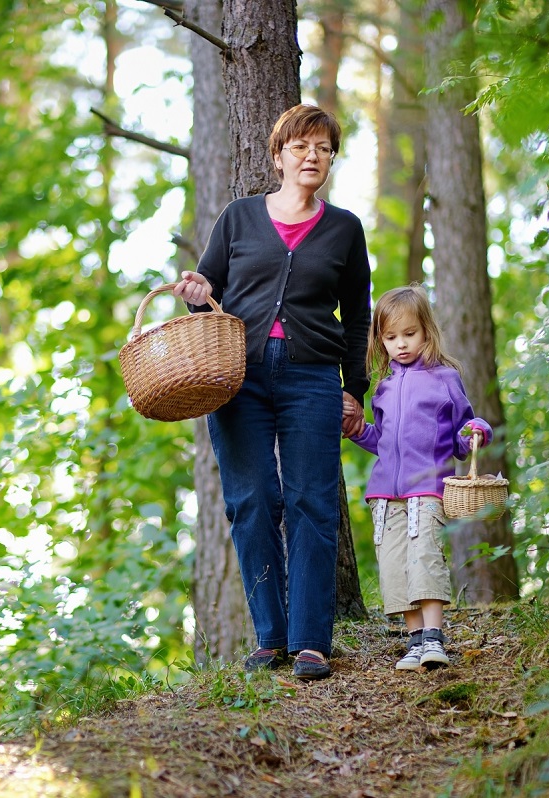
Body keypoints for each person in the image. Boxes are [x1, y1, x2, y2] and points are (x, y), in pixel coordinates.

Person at [173, 104, 372, 681]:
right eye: (301, 147)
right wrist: (195, 287)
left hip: (313, 377)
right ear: (279, 155)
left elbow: (358, 316)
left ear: (332, 159)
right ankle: (270, 637)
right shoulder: (238, 218)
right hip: (238, 376)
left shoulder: (344, 229)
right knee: (252, 500)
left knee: (312, 501)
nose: (313, 157)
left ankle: (312, 640)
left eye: (324, 149)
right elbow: (204, 290)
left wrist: (353, 389)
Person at [347, 285, 491, 671]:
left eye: (409, 334)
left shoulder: (445, 378)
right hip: (384, 494)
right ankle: (413, 640)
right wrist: (360, 431)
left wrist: (477, 430)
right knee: (394, 565)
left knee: (425, 558)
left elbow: (464, 433)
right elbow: (384, 441)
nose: (401, 344)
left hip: (428, 489)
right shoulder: (384, 386)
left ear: (426, 330)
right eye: (391, 338)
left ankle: (434, 637)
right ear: (381, 339)